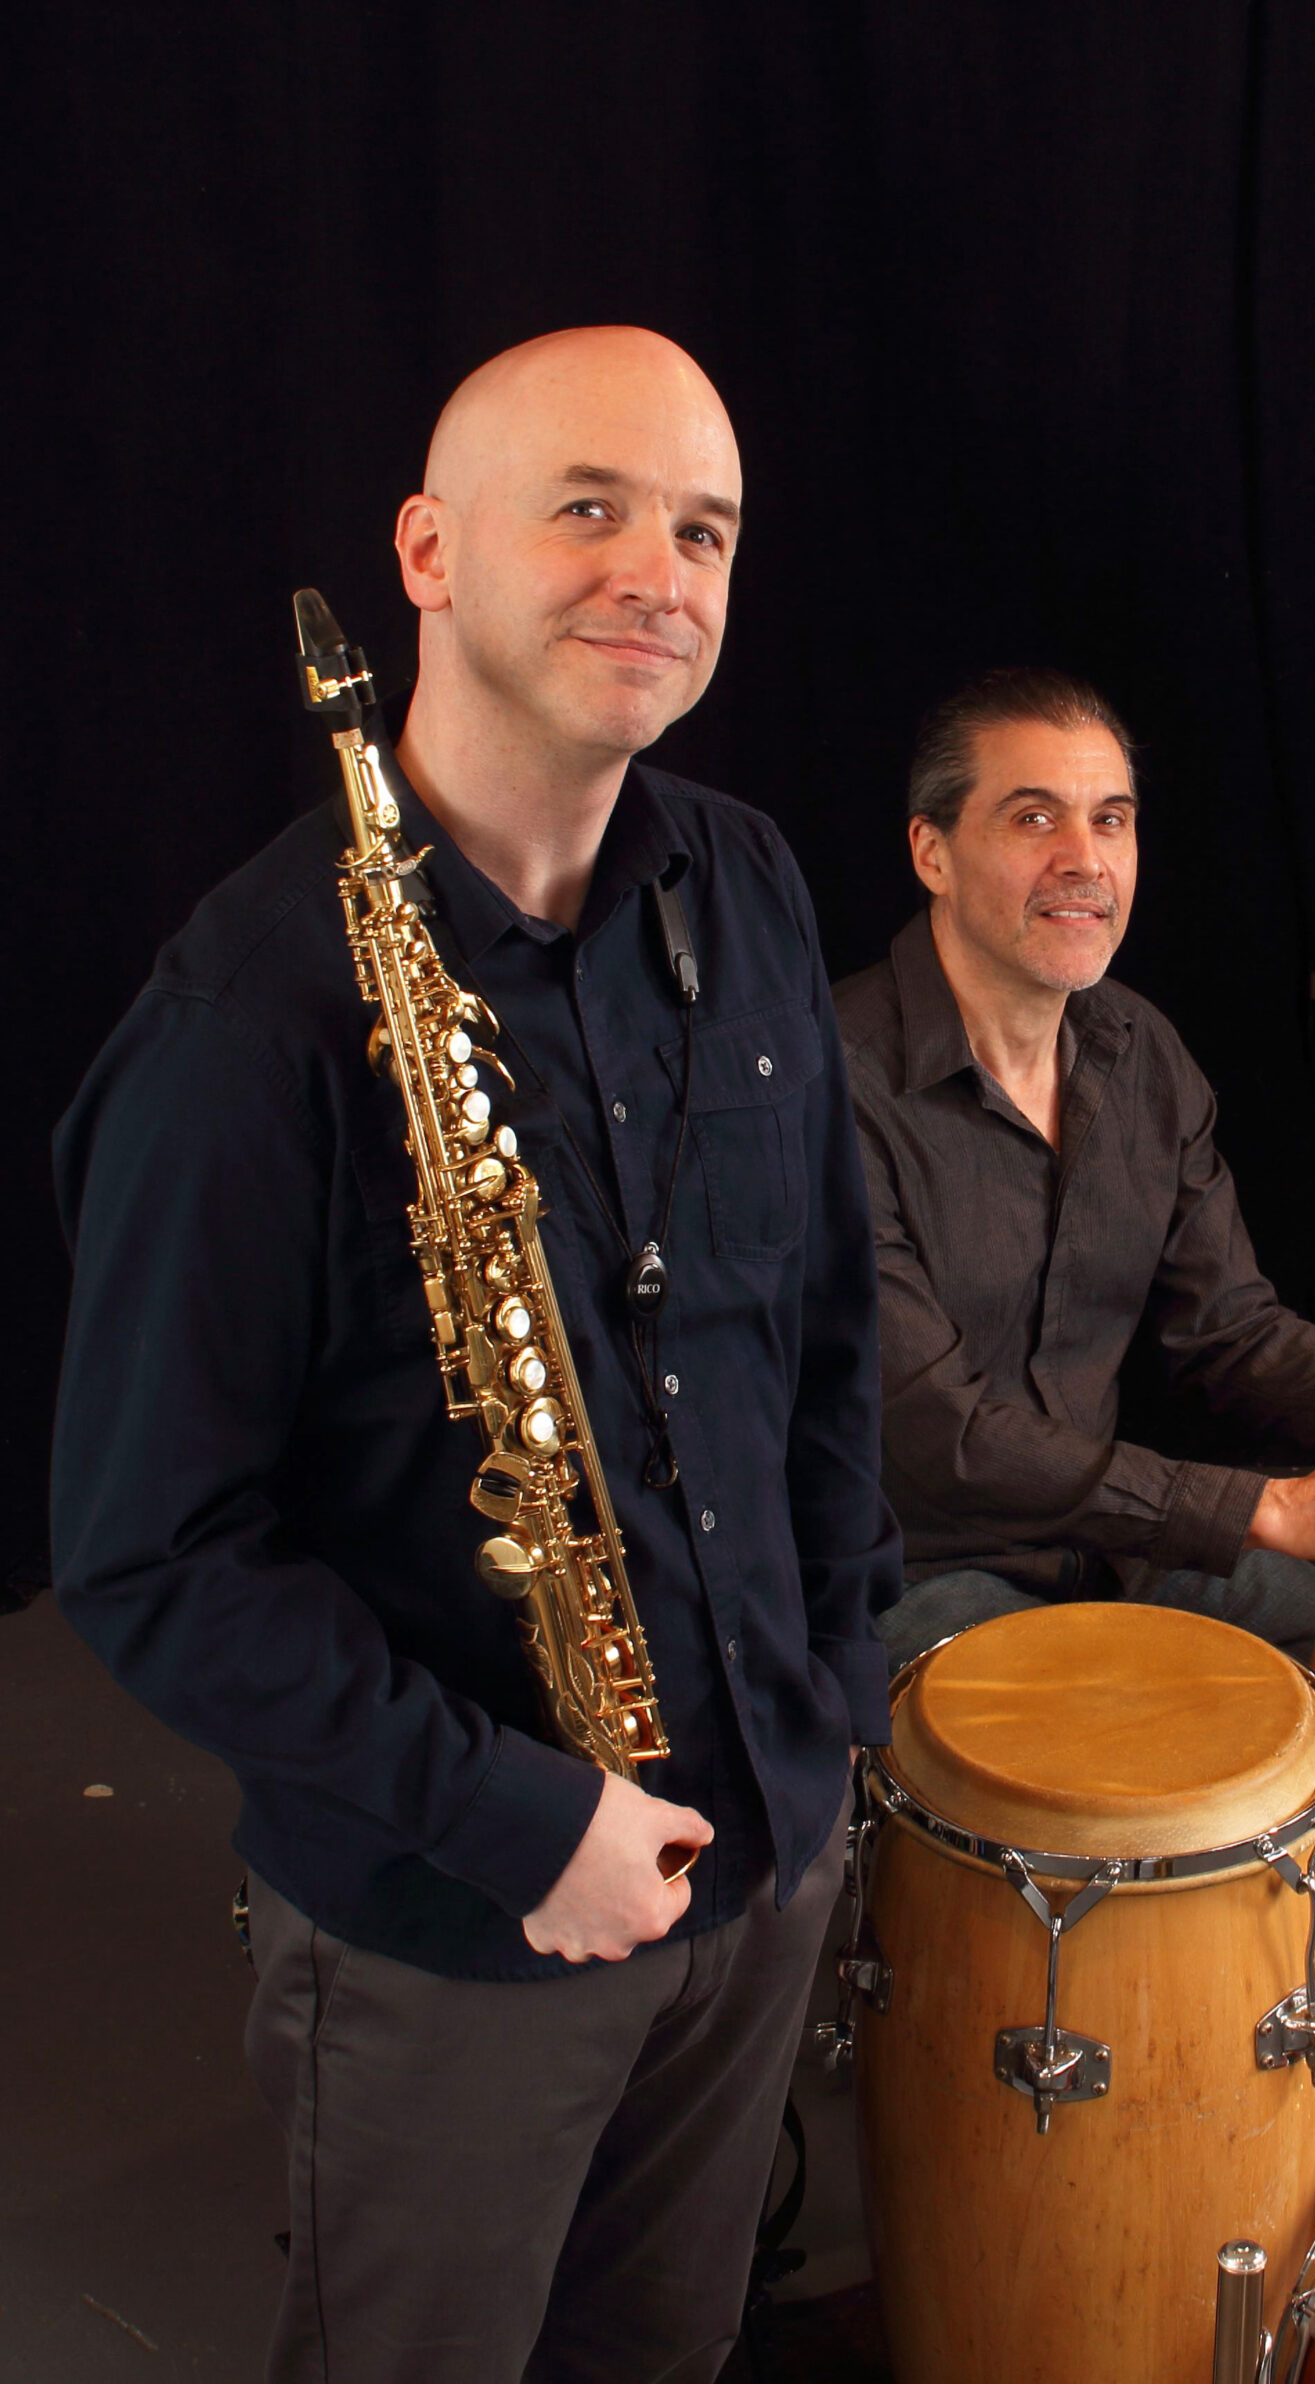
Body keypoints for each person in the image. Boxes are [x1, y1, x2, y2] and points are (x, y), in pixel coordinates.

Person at [50, 327, 900, 2384]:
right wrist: (522, 1821)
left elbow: (822, 1335)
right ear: (429, 550)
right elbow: (151, 1555)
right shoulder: (249, 1019)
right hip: (462, 1921)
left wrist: (830, 1683)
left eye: (701, 527)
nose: (661, 571)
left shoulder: (748, 878)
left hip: (759, 1849)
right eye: (587, 507)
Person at [835, 667, 1315, 1671]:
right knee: (1109, 1760)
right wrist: (1269, 1505)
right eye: (1032, 819)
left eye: (1111, 819)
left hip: (1108, 1533)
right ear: (933, 851)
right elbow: (939, 1434)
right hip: (899, 1572)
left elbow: (1230, 1327)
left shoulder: (1138, 1050)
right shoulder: (824, 1082)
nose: (1083, 861)